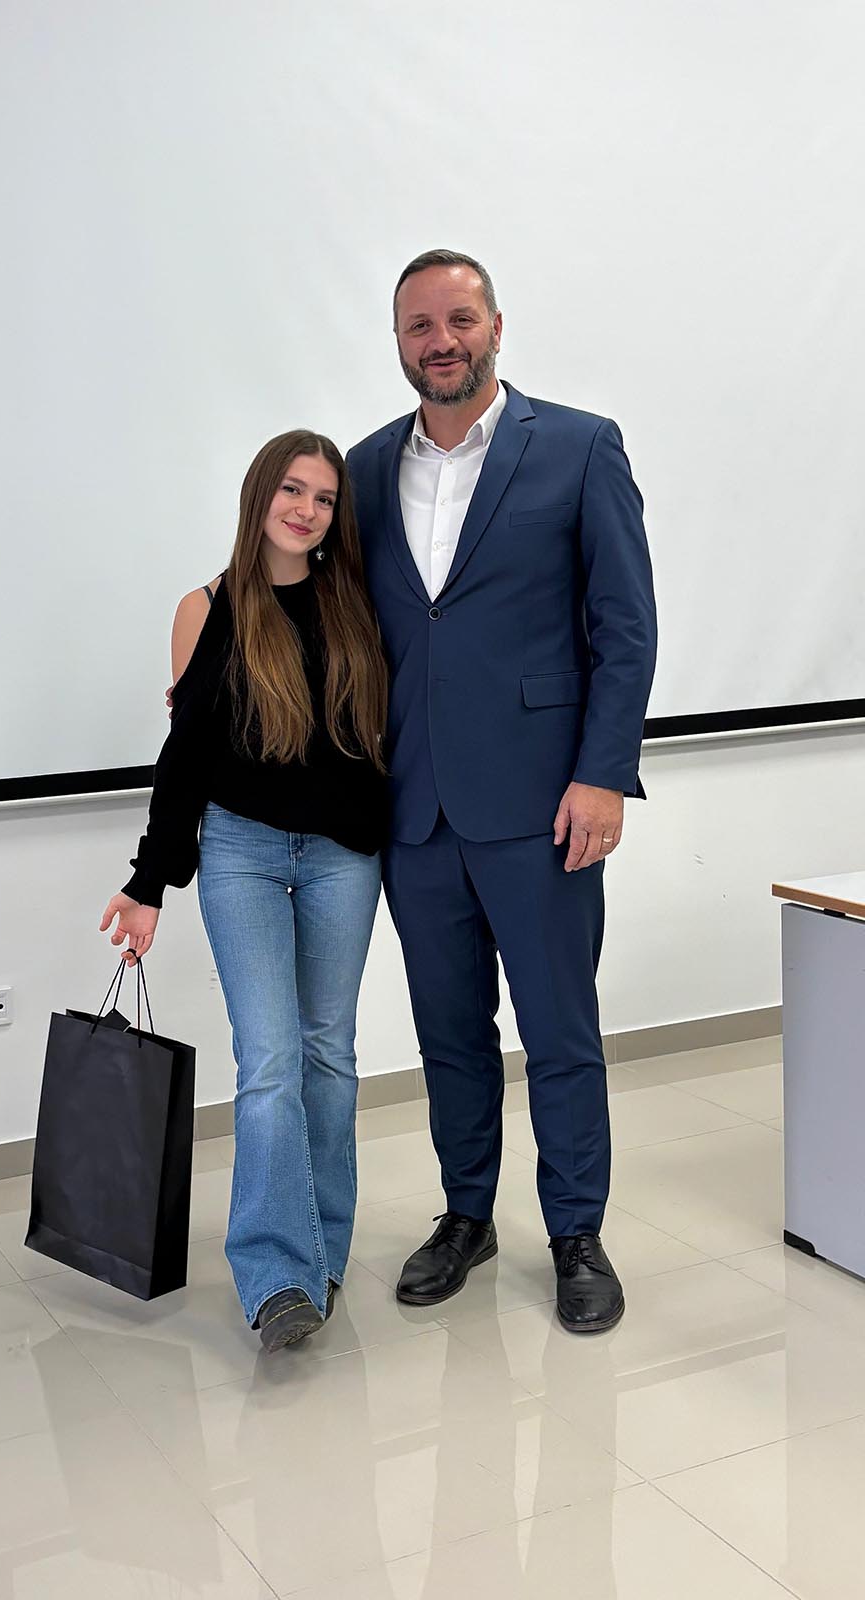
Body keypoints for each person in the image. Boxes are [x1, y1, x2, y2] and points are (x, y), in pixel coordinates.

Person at [346, 250, 657, 1333]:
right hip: (414, 809)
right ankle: (466, 1216)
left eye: (460, 319)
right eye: (420, 325)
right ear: (399, 342)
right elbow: (319, 606)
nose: (441, 341)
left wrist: (603, 774)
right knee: (449, 1033)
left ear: (495, 326)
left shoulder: (577, 446)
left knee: (560, 1032)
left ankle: (576, 1232)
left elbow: (625, 627)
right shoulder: (364, 468)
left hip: (543, 807)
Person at [99, 430, 390, 1353]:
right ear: (260, 495)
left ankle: (321, 1252)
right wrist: (149, 881)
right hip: (242, 854)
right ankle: (275, 1278)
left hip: (343, 858)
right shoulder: (209, 607)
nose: (307, 511)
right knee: (269, 1060)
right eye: (292, 490)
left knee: (328, 1055)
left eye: (325, 498)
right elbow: (185, 755)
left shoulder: (357, 603)